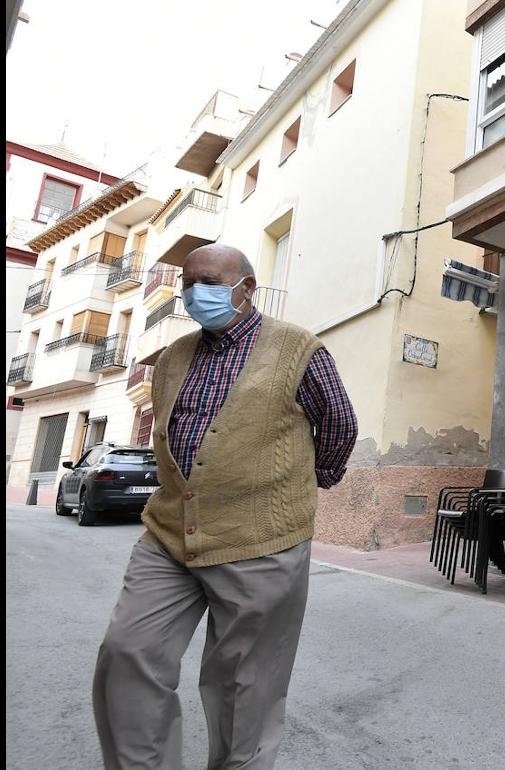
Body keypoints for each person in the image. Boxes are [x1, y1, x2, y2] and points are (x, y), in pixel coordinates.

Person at [92, 244, 358, 769]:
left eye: (210, 283)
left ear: (247, 287)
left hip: (261, 542)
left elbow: (339, 426)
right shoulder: (173, 357)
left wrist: (300, 485)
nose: (197, 294)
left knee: (244, 686)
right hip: (169, 536)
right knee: (127, 654)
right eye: (189, 284)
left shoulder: (296, 348)